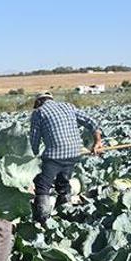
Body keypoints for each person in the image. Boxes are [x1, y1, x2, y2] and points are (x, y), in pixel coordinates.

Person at [29, 91, 102, 223]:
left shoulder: (39, 112)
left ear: (38, 102)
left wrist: (30, 159)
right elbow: (91, 122)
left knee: (42, 185)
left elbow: (34, 140)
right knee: (63, 182)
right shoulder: (68, 106)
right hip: (74, 153)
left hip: (55, 155)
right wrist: (98, 142)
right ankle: (67, 211)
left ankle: (41, 219)